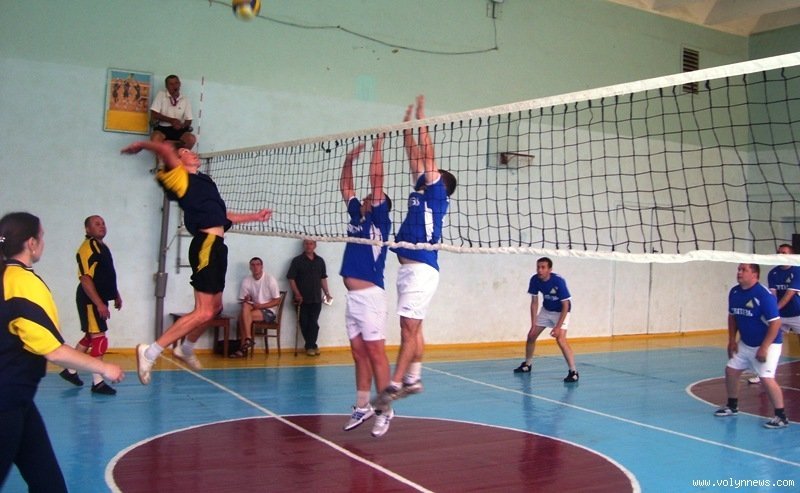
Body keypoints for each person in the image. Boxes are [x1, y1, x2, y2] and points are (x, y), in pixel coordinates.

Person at [120, 141, 271, 384]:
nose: (193, 153)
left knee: (215, 309)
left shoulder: (206, 181)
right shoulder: (180, 179)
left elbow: (223, 215)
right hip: (205, 246)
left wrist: (254, 216)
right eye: (186, 151)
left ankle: (186, 348)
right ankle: (150, 352)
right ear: (178, 161)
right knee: (203, 311)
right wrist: (143, 144)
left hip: (218, 246)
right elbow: (166, 150)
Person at [0, 212, 124, 492]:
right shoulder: (23, 283)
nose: (43, 242)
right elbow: (53, 351)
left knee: (49, 484)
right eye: (42, 236)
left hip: (19, 400)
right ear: (31, 243)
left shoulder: (8, 276)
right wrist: (104, 368)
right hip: (6, 402)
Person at [376, 95, 457, 405]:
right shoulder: (421, 189)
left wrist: (422, 119)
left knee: (408, 329)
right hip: (410, 268)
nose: (425, 171)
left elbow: (427, 154)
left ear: (441, 182)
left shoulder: (437, 193)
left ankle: (394, 384)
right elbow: (414, 155)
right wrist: (406, 127)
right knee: (413, 326)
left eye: (432, 172)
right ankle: (414, 378)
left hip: (422, 268)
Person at [339, 136, 394, 437]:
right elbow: (346, 187)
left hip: (371, 296)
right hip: (352, 298)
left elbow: (377, 179)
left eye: (374, 198)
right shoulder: (356, 216)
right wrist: (349, 159)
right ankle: (362, 406)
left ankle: (385, 408)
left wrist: (377, 147)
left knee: (375, 353)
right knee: (358, 353)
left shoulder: (379, 221)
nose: (368, 198)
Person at [714, 263, 788, 429]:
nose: (739, 272)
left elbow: (776, 324)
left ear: (754, 274)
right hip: (746, 343)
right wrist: (732, 340)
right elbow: (732, 317)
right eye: (738, 269)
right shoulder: (734, 292)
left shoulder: (764, 295)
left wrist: (764, 348)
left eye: (744, 270)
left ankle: (781, 416)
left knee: (766, 378)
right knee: (731, 370)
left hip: (769, 343)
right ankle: (732, 406)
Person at [58, 215, 122, 395]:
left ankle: (70, 370)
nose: (102, 226)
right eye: (96, 224)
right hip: (90, 300)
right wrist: (99, 303)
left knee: (89, 337)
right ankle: (98, 382)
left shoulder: (103, 247)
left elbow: (107, 274)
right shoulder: (87, 248)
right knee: (99, 339)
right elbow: (85, 279)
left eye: (103, 223)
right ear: (87, 229)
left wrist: (116, 295)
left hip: (99, 299)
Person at [513, 257, 579, 382]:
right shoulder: (534, 279)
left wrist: (558, 327)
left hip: (561, 311)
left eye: (543, 267)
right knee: (531, 335)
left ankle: (573, 372)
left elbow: (566, 305)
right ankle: (527, 364)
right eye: (538, 267)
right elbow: (534, 302)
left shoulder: (558, 281)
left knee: (561, 339)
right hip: (546, 310)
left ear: (550, 269)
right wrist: (533, 324)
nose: (540, 270)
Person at [749, 244, 800, 385]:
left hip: (797, 313)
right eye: (778, 252)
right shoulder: (773, 273)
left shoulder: (797, 270)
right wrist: (771, 312)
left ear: (791, 255)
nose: (780, 254)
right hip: (780, 315)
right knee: (768, 341)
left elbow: (789, 295)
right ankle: (762, 373)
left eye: (784, 252)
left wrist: (774, 310)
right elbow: (773, 295)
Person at [287, 239, 331, 356]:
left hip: (316, 298)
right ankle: (312, 346)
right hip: (301, 299)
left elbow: (323, 278)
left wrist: (327, 292)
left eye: (311, 243)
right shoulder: (297, 261)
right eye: (306, 243)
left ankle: (310, 346)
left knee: (313, 323)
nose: (308, 246)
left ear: (315, 245)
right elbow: (291, 278)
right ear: (303, 245)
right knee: (304, 323)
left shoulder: (320, 261)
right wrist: (297, 293)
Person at [231, 256, 281, 358]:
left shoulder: (270, 279)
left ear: (262, 266)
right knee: (245, 306)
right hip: (254, 308)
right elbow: (243, 300)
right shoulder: (246, 280)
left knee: (242, 317)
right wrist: (247, 299)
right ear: (250, 267)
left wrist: (262, 305)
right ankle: (248, 339)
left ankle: (244, 347)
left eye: (258, 265)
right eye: (253, 265)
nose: (255, 267)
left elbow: (277, 301)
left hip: (268, 311)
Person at [150, 74, 196, 149]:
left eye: (176, 83)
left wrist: (182, 125)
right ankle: (163, 155)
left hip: (179, 130)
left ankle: (180, 155)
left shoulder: (185, 99)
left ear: (180, 84)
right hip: (162, 128)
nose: (174, 86)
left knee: (191, 139)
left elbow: (189, 120)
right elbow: (154, 114)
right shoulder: (161, 95)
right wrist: (171, 120)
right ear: (166, 86)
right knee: (155, 138)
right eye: (171, 84)